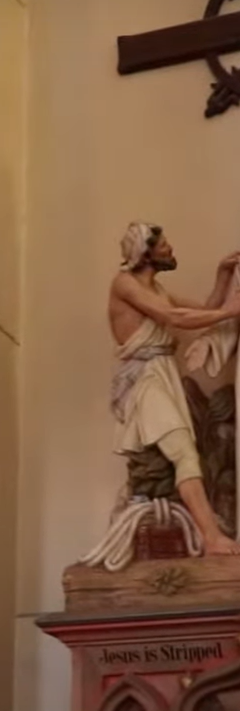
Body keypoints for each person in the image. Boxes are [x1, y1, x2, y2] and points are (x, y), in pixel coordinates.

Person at [109, 221, 240, 556]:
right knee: (182, 450)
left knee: (182, 452)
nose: (170, 248)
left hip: (161, 373)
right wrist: (231, 310)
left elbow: (203, 311)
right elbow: (176, 319)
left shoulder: (159, 290)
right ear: (146, 252)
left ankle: (209, 534)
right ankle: (211, 538)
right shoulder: (125, 284)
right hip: (146, 379)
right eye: (164, 244)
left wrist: (222, 276)